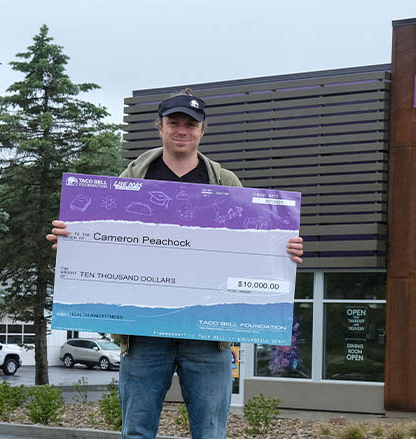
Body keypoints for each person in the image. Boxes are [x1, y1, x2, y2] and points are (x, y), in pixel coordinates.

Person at [47, 89, 303, 439]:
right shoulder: (131, 181)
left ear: (202, 130)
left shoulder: (226, 183)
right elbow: (103, 240)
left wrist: (281, 250)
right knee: (136, 431)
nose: (182, 130)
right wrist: (72, 240)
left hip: (208, 335)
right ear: (160, 127)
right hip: (144, 333)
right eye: (174, 123)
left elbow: (251, 245)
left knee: (211, 432)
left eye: (190, 124)